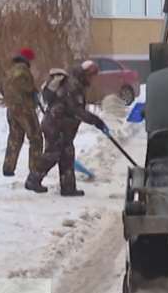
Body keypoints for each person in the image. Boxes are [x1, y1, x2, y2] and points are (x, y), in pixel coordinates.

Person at [26, 60, 108, 196]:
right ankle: (33, 179)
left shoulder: (76, 83)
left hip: (63, 127)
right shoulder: (73, 86)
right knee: (52, 154)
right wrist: (96, 121)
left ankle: (68, 187)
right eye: (92, 76)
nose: (93, 80)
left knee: (67, 154)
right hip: (55, 125)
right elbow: (77, 110)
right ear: (86, 74)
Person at [1, 47, 42, 178]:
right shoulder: (23, 70)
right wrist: (34, 90)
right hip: (24, 108)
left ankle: (8, 167)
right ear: (28, 59)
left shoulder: (11, 70)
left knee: (15, 138)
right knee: (36, 138)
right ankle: (35, 170)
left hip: (11, 109)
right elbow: (27, 87)